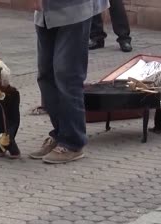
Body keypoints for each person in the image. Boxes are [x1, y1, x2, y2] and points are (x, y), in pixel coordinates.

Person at [29, 0, 109, 164]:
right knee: (46, 74)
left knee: (67, 75)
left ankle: (72, 142)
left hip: (74, 9)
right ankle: (60, 134)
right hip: (46, 13)